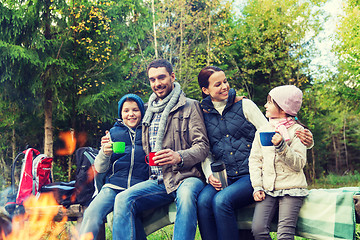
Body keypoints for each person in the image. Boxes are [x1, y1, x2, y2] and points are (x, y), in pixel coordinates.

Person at [196, 66, 313, 240]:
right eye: (218, 84)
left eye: (225, 81)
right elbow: (205, 149)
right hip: (223, 175)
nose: (224, 87)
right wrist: (208, 174)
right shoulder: (202, 112)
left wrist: (307, 141)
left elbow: (270, 131)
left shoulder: (245, 104)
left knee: (221, 201)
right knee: (203, 202)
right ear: (206, 90)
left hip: (249, 174)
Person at [112, 59, 209, 240]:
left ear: (172, 76)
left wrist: (178, 156)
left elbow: (202, 146)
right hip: (158, 181)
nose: (157, 84)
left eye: (161, 77)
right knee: (122, 200)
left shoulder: (190, 106)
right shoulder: (148, 110)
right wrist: (108, 141)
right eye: (152, 79)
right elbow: (127, 125)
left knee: (186, 198)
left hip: (187, 177)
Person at [79, 94, 149, 239]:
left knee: (126, 214)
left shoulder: (148, 131)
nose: (131, 114)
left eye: (135, 110)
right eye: (126, 111)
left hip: (139, 186)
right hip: (114, 185)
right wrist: (104, 152)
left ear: (141, 112)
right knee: (91, 213)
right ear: (121, 114)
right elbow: (99, 168)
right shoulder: (113, 133)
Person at [249, 85, 308, 239]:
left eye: (270, 102)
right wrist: (257, 186)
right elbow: (255, 160)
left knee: (285, 234)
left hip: (292, 188)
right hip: (268, 189)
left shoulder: (297, 131)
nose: (265, 105)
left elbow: (299, 163)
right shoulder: (262, 130)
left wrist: (282, 147)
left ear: (283, 108)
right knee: (258, 229)